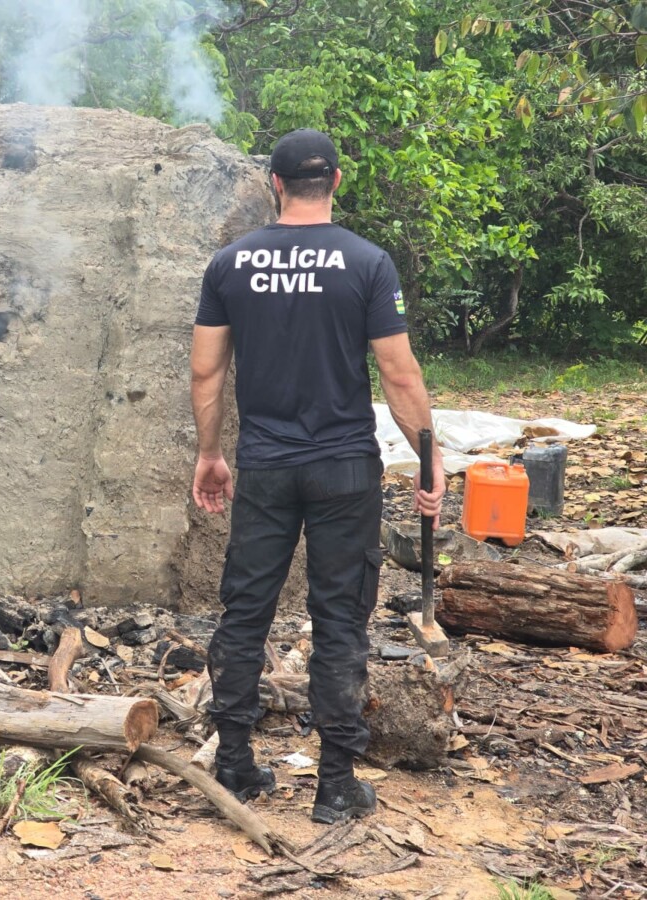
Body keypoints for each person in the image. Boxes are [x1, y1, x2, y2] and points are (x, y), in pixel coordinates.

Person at [189, 128, 445, 825]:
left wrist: (211, 453)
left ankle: (236, 766)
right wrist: (431, 455)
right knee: (339, 620)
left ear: (274, 184)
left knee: (246, 613)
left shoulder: (230, 265)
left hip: (266, 468)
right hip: (342, 470)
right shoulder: (367, 263)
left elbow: (207, 371)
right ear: (334, 181)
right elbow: (399, 373)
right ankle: (335, 785)